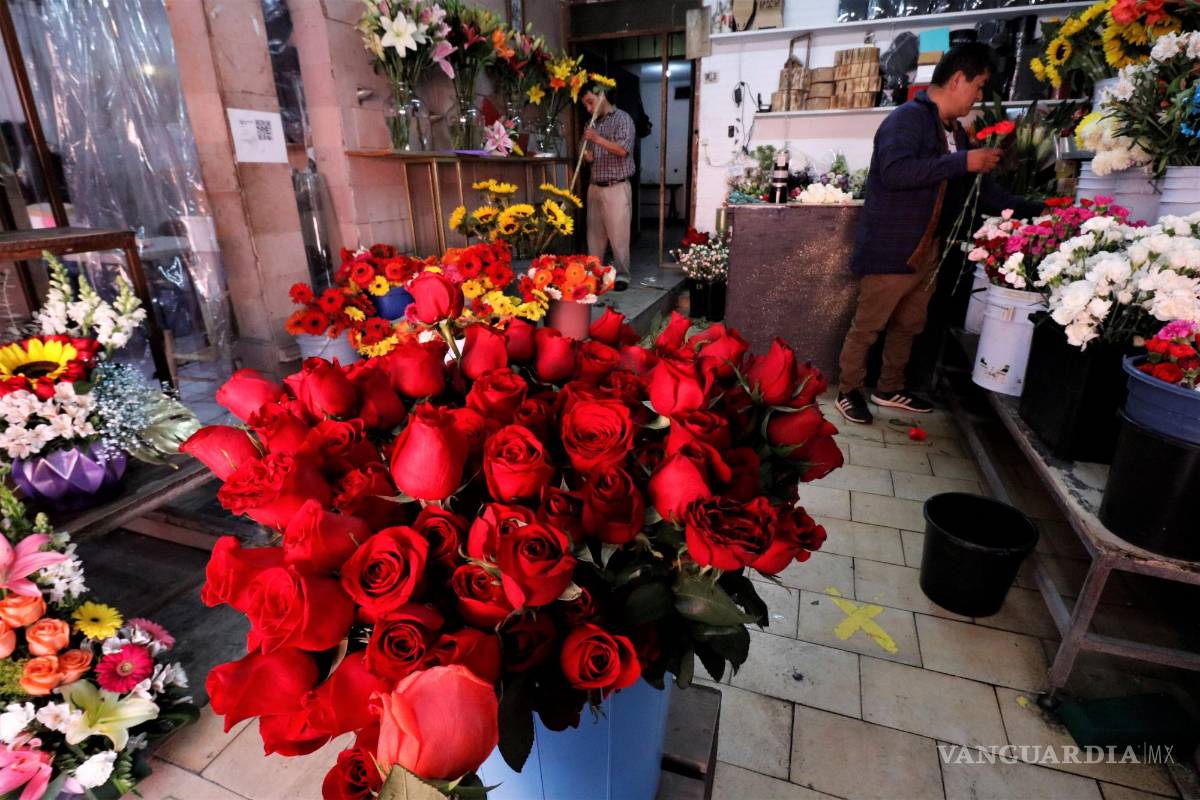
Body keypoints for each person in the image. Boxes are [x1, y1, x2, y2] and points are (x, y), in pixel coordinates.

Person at [834, 42, 1044, 425]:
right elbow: (896, 172)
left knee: (910, 323)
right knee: (868, 326)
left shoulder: (954, 132)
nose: (979, 96)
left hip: (928, 248)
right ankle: (848, 390)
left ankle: (888, 387)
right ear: (959, 78)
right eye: (978, 86)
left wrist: (1039, 210)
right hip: (892, 247)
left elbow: (979, 193)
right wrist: (963, 161)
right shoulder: (907, 120)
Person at [581, 88, 636, 291]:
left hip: (617, 186)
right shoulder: (591, 124)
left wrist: (596, 139)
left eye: (590, 102)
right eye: (585, 105)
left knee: (619, 235)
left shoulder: (623, 119)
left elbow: (622, 150)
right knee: (594, 236)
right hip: (595, 187)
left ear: (601, 95)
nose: (588, 109)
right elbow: (584, 148)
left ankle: (622, 275)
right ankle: (594, 275)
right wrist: (586, 154)